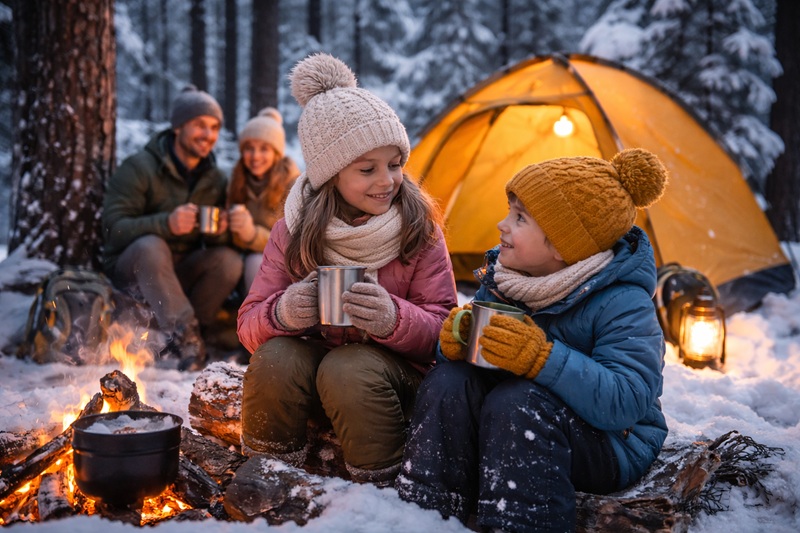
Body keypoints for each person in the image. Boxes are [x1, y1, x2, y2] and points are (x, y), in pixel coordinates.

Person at [396, 149, 670, 532]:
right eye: (509, 211)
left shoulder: (623, 301)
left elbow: (625, 401)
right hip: (511, 423)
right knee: (449, 382)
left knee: (520, 402)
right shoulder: (510, 279)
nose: (501, 225)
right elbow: (477, 357)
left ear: (563, 245)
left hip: (610, 441)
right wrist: (454, 342)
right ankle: (425, 513)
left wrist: (540, 357)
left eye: (520, 218)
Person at [237, 53, 458, 486]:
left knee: (350, 366)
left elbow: (446, 333)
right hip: (315, 383)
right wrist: (282, 313)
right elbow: (248, 324)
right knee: (275, 356)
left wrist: (394, 319)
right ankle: (267, 476)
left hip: (390, 390)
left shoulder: (419, 230)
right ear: (330, 174)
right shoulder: (293, 230)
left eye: (395, 164)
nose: (387, 181)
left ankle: (381, 486)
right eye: (367, 169)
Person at [102, 85, 243, 371]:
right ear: (178, 127)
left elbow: (216, 241)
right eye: (200, 125)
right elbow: (112, 229)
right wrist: (166, 223)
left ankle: (188, 335)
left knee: (227, 260)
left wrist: (222, 230)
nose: (208, 135)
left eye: (214, 127)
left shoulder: (214, 178)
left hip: (178, 275)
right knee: (151, 246)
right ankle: (185, 335)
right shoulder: (140, 167)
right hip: (134, 273)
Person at [227, 107, 300, 293]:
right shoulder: (237, 180)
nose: (255, 156)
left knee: (255, 262)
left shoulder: (292, 185)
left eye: (264, 149)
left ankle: (259, 319)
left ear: (276, 153)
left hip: (281, 262)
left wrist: (251, 234)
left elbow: (292, 242)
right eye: (249, 149)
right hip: (239, 256)